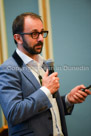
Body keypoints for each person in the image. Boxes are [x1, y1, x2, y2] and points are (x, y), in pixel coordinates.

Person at [0, 12, 91, 136]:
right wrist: (46, 90)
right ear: (18, 38)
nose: (41, 38)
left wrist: (68, 99)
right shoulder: (8, 69)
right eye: (34, 34)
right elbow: (14, 113)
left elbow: (48, 111)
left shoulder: (44, 64)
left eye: (42, 32)